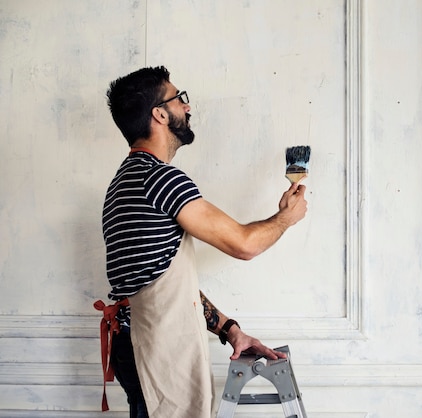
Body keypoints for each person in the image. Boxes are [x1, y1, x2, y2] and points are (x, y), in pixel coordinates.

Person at [102, 66, 307, 418]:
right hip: (157, 351)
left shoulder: (122, 185)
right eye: (179, 98)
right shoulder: (161, 180)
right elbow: (244, 244)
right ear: (159, 114)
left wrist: (230, 330)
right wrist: (286, 218)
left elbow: (164, 285)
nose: (188, 107)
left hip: (137, 346)